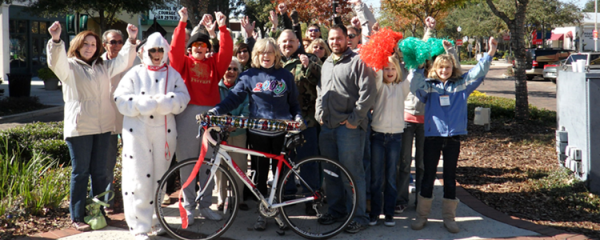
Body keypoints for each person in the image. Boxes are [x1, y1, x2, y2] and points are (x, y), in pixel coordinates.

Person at [46, 21, 137, 231]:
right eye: (86, 44)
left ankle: (97, 212)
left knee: (101, 173)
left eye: (94, 45)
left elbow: (123, 61)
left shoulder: (103, 66)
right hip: (80, 128)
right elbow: (55, 62)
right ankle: (77, 216)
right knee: (81, 172)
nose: (90, 48)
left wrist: (131, 40)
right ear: (78, 45)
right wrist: (56, 40)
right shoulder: (69, 67)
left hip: (104, 127)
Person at [209, 38, 303, 231]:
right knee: (260, 176)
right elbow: (234, 98)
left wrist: (299, 117)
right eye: (261, 53)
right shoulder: (249, 75)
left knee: (280, 176)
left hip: (281, 134)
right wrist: (216, 110)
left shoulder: (285, 75)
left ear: (276, 54)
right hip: (258, 134)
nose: (265, 56)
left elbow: (294, 104)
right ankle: (262, 214)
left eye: (269, 52)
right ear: (256, 55)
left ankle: (279, 212)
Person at [409, 37, 498, 234]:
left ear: (453, 68)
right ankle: (421, 216)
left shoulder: (462, 85)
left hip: (453, 137)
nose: (444, 71)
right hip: (433, 136)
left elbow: (477, 72)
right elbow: (414, 86)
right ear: (435, 69)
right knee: (428, 176)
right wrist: (418, 66)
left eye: (447, 67)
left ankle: (449, 218)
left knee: (450, 177)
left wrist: (490, 53)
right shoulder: (429, 86)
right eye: (440, 68)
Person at [114, 32, 190, 240]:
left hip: (164, 135)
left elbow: (184, 97)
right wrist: (138, 104)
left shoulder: (173, 74)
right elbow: (119, 99)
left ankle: (156, 219)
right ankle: (139, 225)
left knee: (160, 177)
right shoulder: (134, 73)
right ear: (145, 52)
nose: (157, 54)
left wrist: (170, 102)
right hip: (137, 132)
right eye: (152, 50)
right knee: (138, 178)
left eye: (160, 50)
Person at [170, 7, 233, 224]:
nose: (199, 48)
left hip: (211, 114)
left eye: (203, 45)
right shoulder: (183, 64)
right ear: (190, 49)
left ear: (207, 49)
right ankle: (188, 207)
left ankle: (205, 205)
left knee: (208, 162)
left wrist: (222, 28)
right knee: (187, 162)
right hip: (188, 114)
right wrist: (182, 23)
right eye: (195, 45)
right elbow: (175, 52)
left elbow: (226, 52)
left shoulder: (214, 64)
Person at [315, 24, 375, 234]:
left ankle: (358, 216)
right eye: (331, 39)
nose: (335, 42)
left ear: (346, 39)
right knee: (331, 172)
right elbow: (320, 90)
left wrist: (354, 119)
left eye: (339, 38)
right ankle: (337, 210)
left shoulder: (358, 61)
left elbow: (368, 92)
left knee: (352, 173)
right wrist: (319, 114)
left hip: (349, 129)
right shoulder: (327, 63)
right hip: (328, 128)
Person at [277, 29, 322, 215]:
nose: (287, 44)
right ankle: (286, 197)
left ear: (298, 42)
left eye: (291, 41)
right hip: (281, 122)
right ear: (279, 44)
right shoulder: (274, 61)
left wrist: (308, 66)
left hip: (306, 121)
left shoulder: (310, 58)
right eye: (284, 41)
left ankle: (311, 199)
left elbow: (321, 78)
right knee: (284, 161)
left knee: (308, 162)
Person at [101, 28, 139, 213]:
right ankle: (107, 203)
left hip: (130, 120)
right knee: (107, 164)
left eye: (119, 42)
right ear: (104, 45)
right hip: (107, 120)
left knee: (133, 162)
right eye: (112, 42)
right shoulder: (97, 63)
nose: (116, 45)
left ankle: (132, 200)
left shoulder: (132, 61)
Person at [216, 57, 250, 211]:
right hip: (218, 134)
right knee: (220, 167)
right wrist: (222, 124)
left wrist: (234, 124)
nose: (231, 72)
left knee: (239, 166)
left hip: (238, 132)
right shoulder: (216, 87)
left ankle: (239, 198)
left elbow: (246, 110)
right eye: (228, 68)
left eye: (235, 69)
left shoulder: (243, 89)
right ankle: (221, 199)